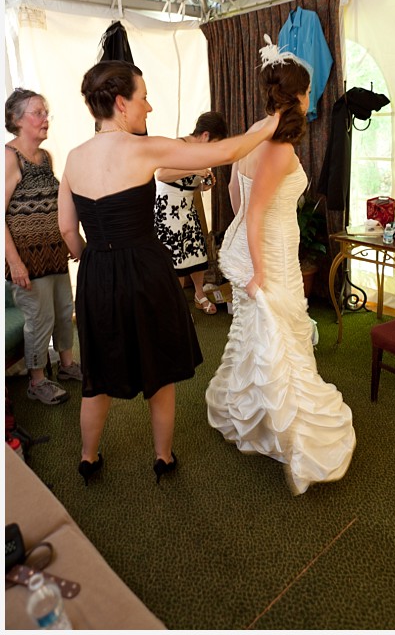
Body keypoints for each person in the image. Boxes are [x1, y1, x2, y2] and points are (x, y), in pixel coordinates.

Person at [58, 60, 279, 486]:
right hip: (145, 270)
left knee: (96, 373)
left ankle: (88, 457)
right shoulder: (144, 148)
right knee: (157, 369)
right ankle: (162, 457)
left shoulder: (73, 157)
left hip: (96, 273)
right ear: (122, 104)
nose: (150, 107)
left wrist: (90, 254)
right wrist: (271, 123)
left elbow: (68, 229)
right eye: (143, 98)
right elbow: (224, 152)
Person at [204, 40, 355, 495]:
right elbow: (252, 213)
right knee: (280, 334)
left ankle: (250, 412)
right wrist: (259, 270)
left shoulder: (258, 131)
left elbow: (234, 191)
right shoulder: (279, 149)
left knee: (260, 331)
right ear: (300, 96)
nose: (312, 100)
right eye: (309, 93)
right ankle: (287, 429)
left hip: (269, 244)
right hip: (270, 253)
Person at [4, 89, 80, 405]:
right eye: (37, 112)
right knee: (39, 318)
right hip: (27, 260)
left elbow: (55, 204)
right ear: (17, 120)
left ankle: (66, 365)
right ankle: (37, 381)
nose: (45, 118)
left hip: (53, 253)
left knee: (64, 312)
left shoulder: (45, 158)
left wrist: (70, 241)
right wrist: (15, 263)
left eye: (45, 112)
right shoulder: (9, 157)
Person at [154, 111, 228, 315]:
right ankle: (174, 302)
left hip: (187, 208)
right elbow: (161, 173)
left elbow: (189, 185)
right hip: (169, 211)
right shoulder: (177, 146)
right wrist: (195, 171)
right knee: (176, 258)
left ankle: (199, 294)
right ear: (205, 135)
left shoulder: (200, 153)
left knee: (197, 252)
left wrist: (204, 185)